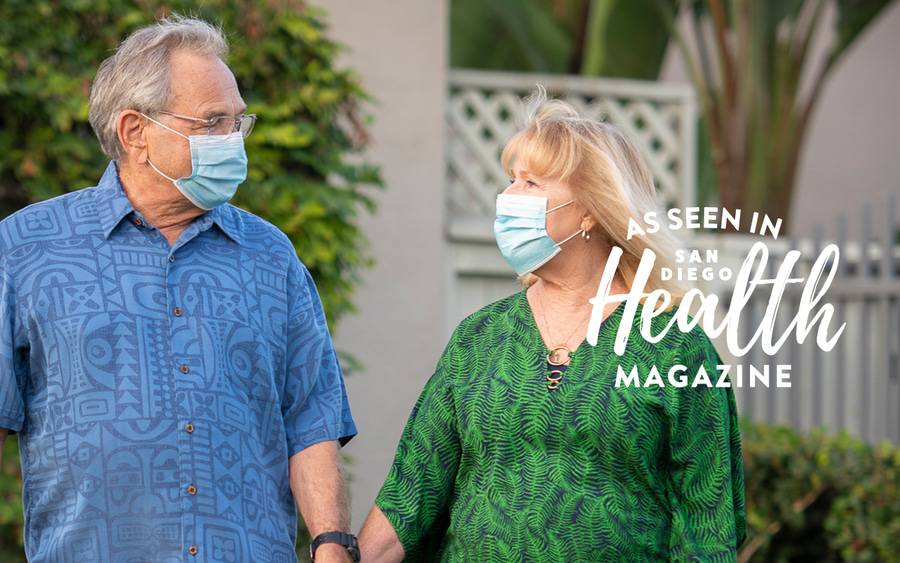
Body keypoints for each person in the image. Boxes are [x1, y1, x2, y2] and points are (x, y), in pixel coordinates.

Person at [0, 16, 360, 563]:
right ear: (134, 132)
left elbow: (312, 419)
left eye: (239, 122)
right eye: (212, 122)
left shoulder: (270, 255)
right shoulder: (27, 247)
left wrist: (332, 545)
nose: (232, 140)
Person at [357, 88, 747, 561]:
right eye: (511, 180)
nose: (508, 197)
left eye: (532, 183)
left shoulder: (673, 346)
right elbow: (409, 497)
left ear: (589, 210)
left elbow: (709, 527)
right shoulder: (479, 338)